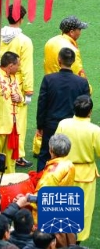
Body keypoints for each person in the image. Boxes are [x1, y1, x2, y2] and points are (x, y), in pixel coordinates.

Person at [0, 4, 34, 169]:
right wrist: (28, 92)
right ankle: (17, 155)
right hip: (18, 85)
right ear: (22, 18)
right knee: (18, 121)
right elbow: (27, 67)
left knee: (1, 116)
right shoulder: (25, 41)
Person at [36, 47, 90, 171]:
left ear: (59, 60)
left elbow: (42, 104)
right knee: (70, 154)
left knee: (45, 155)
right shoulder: (82, 82)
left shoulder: (48, 79)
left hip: (51, 125)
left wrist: (40, 126)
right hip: (74, 125)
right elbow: (86, 107)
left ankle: (40, 185)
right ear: (73, 61)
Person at [55, 95, 100, 242]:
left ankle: (62, 239)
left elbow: (55, 146)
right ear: (90, 111)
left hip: (64, 171)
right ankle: (77, 241)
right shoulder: (94, 130)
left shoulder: (63, 124)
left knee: (63, 207)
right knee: (84, 210)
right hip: (86, 175)